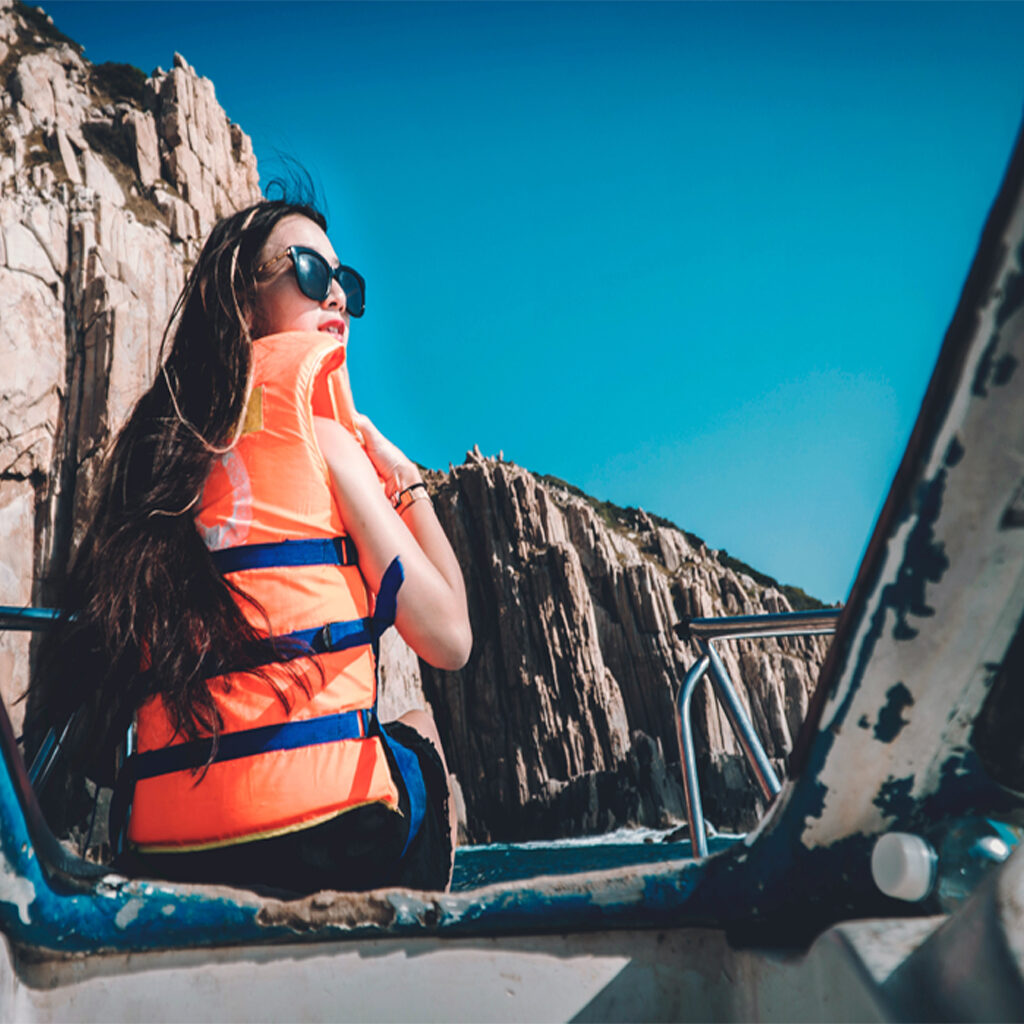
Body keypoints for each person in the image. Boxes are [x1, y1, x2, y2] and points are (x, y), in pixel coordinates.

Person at [32, 196, 472, 894]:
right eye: (310, 272)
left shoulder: (154, 456)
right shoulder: (324, 439)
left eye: (346, 283)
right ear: (243, 300)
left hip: (167, 858)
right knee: (419, 728)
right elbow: (450, 639)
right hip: (333, 844)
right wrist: (406, 479)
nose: (337, 296)